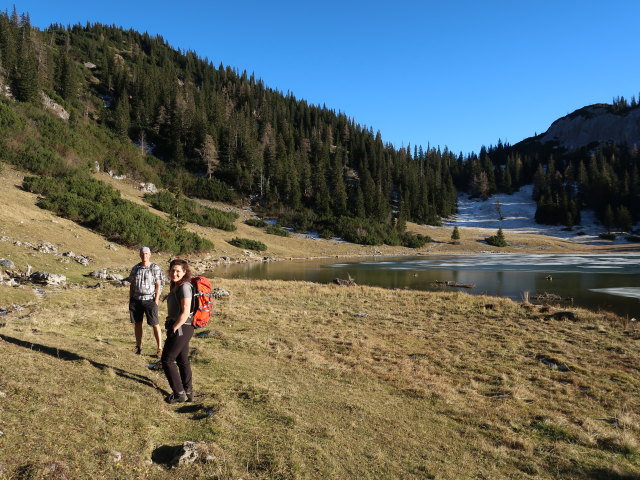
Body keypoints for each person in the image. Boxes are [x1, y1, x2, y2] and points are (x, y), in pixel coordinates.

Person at [161, 258, 195, 403]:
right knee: (182, 360)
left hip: (182, 327)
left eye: (178, 271)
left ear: (184, 272)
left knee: (167, 360)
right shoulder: (176, 285)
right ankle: (188, 392)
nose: (174, 273)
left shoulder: (184, 287)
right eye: (172, 270)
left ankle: (179, 393)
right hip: (183, 327)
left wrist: (175, 327)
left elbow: (186, 310)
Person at [128, 246, 164, 357]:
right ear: (140, 255)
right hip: (136, 300)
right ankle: (138, 346)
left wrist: (156, 301)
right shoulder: (135, 268)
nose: (145, 255)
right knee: (137, 323)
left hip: (150, 300)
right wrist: (130, 299)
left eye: (147, 253)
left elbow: (159, 285)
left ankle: (159, 348)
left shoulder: (155, 268)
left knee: (155, 324)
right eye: (143, 253)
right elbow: (132, 284)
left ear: (150, 255)